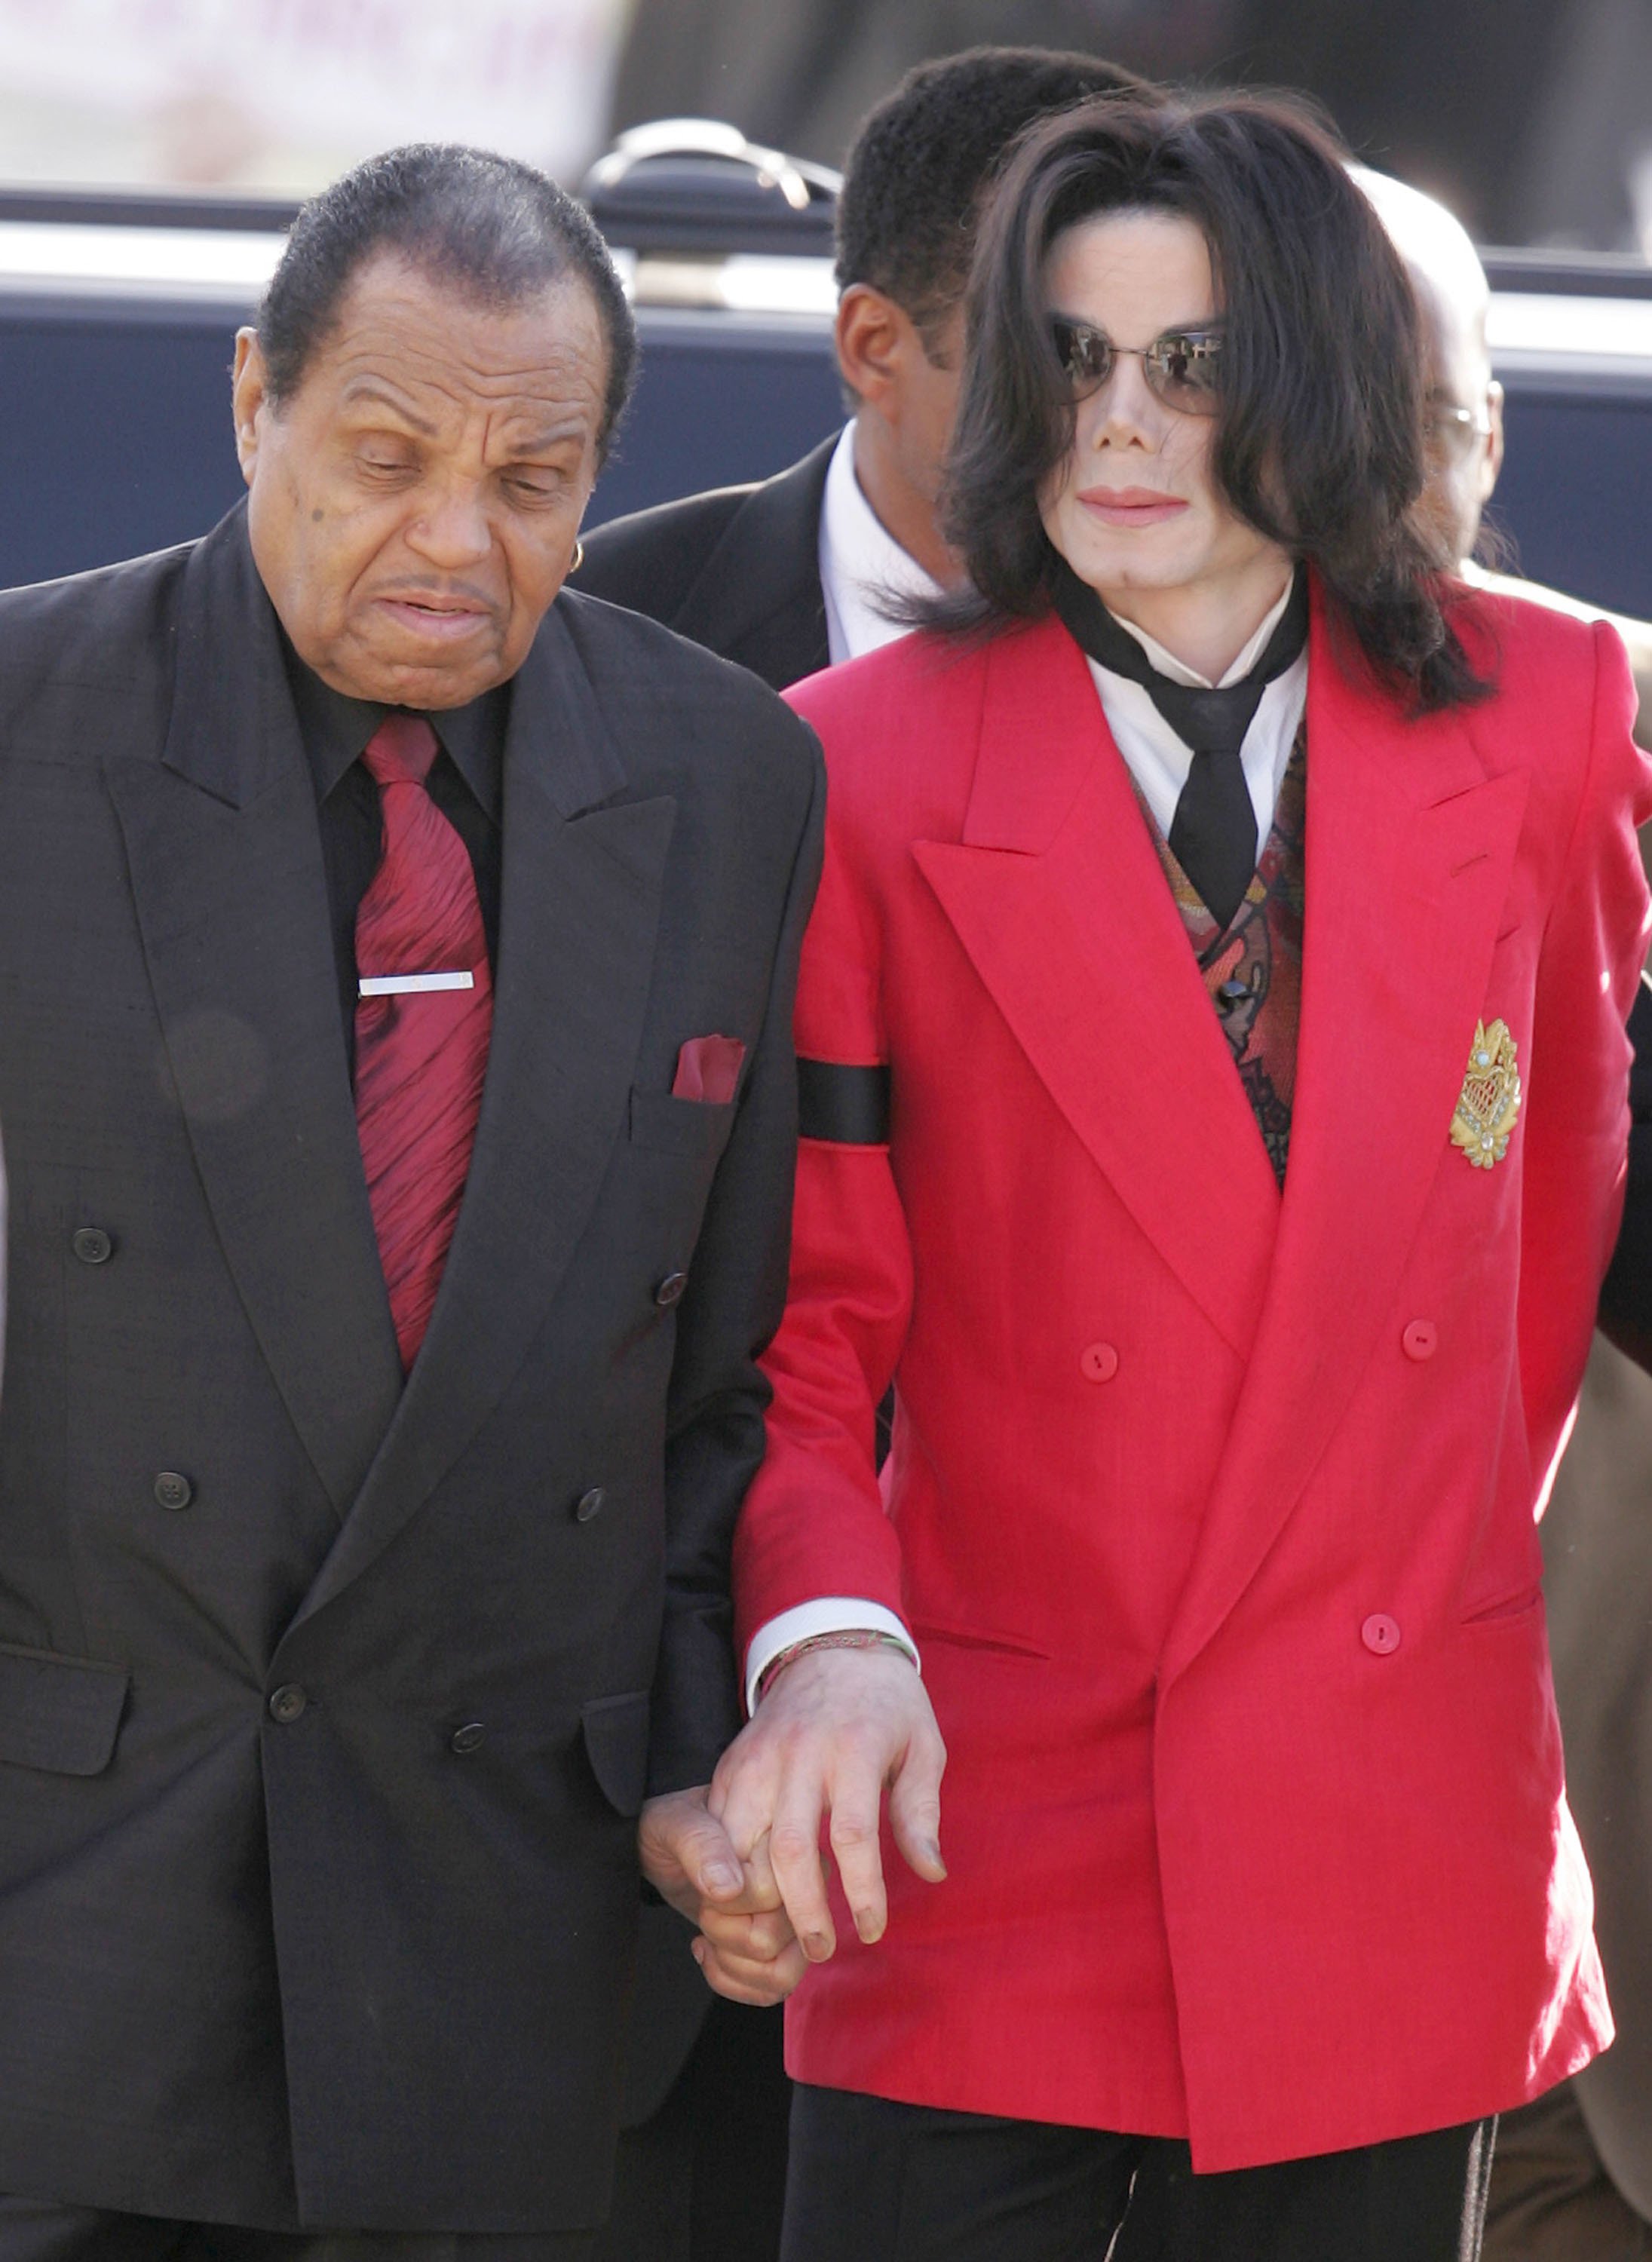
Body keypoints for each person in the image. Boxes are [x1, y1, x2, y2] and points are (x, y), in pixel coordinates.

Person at [690, 92, 1652, 2258]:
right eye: (1066, 359)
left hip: (1382, 1809)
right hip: (974, 1826)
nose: (1115, 428)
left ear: (1307, 376)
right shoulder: (851, 762)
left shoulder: (1556, 714)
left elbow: (1542, 1243)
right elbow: (808, 1323)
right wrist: (823, 1642)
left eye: (1188, 364)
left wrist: (1386, 1578)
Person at [0, 143, 822, 2258]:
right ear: (253, 398)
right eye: (383, 454)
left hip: (514, 1952)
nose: (454, 540)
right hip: (73, 1943)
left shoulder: (727, 777)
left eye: (534, 478)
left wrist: (696, 1767)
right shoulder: (24, 731)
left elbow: (713, 1378)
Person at [577, 49, 1147, 2262]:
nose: (1119, 409)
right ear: (872, 346)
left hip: (1080, 1865)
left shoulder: (1261, 712)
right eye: (1052, 344)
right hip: (655, 1826)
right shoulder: (597, 661)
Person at [576, 46, 1150, 693]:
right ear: (875, 346)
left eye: (1190, 357)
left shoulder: (1253, 636)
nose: (1132, 418)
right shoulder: (605, 632)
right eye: (1069, 352)